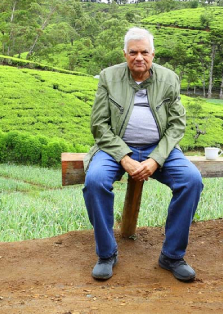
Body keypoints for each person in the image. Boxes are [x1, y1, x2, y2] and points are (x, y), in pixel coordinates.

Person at [82, 27, 203, 282]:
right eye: (133, 52)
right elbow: (99, 125)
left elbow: (177, 125)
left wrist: (155, 159)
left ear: (153, 54)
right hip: (115, 147)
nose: (139, 57)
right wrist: (124, 157)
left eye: (144, 52)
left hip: (159, 149)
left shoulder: (169, 79)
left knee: (191, 180)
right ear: (125, 54)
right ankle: (106, 254)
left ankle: (172, 256)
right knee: (95, 181)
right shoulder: (108, 77)